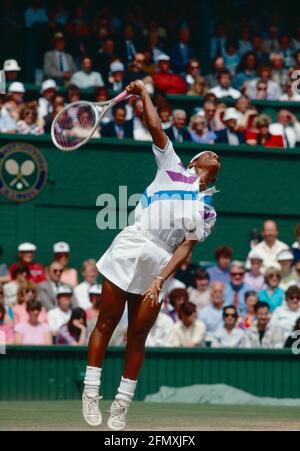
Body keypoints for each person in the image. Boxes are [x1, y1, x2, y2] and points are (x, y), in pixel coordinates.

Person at [82, 80, 221, 431]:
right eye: (207, 152)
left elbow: (186, 247)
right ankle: (90, 392)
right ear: (193, 162)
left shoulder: (208, 210)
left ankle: (121, 405)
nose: (214, 154)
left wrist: (161, 278)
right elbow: (155, 124)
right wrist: (142, 91)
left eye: (216, 155)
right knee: (106, 322)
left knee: (138, 336)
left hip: (160, 261)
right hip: (132, 242)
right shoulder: (171, 164)